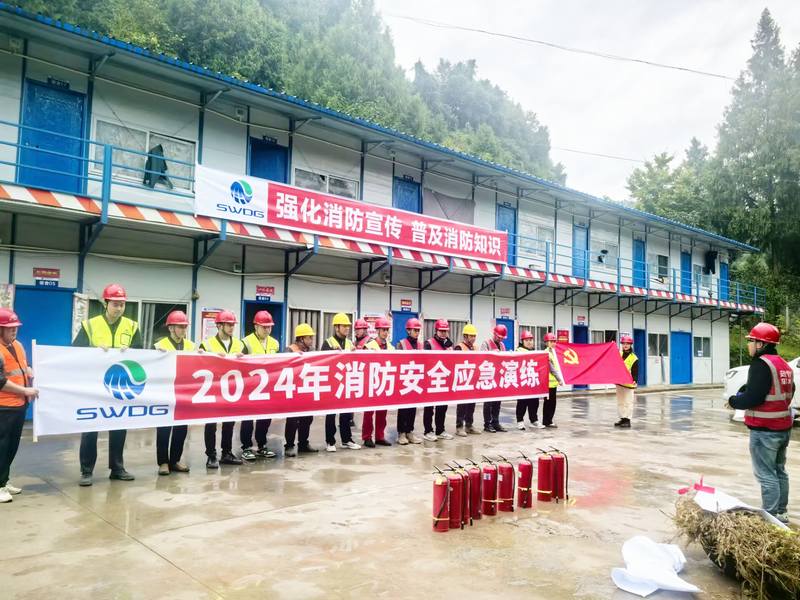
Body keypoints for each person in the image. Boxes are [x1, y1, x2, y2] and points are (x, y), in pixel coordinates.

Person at [73, 283, 141, 486]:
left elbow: (141, 354)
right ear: (106, 303)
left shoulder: (132, 326)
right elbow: (74, 352)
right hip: (94, 386)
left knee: (119, 426)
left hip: (119, 385)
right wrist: (93, 352)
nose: (119, 308)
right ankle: (86, 471)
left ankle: (117, 468)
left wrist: (131, 352)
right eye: (115, 304)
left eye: (122, 304)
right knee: (90, 428)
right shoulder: (90, 325)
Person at [728, 322, 794, 524]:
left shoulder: (760, 364)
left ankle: (770, 517)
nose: (749, 344)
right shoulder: (783, 364)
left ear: (761, 344)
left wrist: (734, 401)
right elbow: (789, 390)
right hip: (783, 428)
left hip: (764, 430)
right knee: (779, 471)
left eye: (751, 341)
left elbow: (754, 397)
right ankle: (781, 513)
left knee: (766, 475)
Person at [0, 308, 38, 503]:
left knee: (12, 446)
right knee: (2, 446)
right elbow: (0, 382)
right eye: (9, 328)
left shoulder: (18, 345)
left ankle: (4, 480)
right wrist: (25, 391)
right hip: (4, 407)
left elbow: (24, 365)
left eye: (15, 327)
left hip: (19, 405)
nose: (14, 330)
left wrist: (29, 371)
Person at [199, 310, 244, 468]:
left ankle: (227, 453)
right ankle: (211, 455)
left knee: (229, 423)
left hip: (231, 389)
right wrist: (206, 356)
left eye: (233, 325)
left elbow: (248, 365)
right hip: (213, 389)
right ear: (219, 325)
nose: (232, 327)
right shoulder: (207, 344)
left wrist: (243, 359)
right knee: (211, 424)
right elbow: (200, 365)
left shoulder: (239, 344)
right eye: (228, 324)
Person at [153, 310, 193, 475]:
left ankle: (175, 460)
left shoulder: (191, 346)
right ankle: (163, 462)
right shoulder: (158, 346)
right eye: (180, 327)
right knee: (164, 429)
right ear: (171, 328)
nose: (184, 330)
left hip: (183, 393)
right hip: (165, 393)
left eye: (185, 327)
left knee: (181, 429)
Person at [239, 310, 279, 461]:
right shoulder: (246, 342)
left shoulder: (274, 343)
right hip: (250, 387)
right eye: (264, 327)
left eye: (269, 327)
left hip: (267, 386)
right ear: (256, 326)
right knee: (248, 418)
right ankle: (246, 447)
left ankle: (262, 445)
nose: (267, 330)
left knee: (265, 417)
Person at [320, 313, 361, 452]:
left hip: (346, 381)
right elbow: (323, 362)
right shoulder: (328, 343)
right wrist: (333, 353)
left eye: (348, 326)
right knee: (331, 413)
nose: (347, 328)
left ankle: (346, 439)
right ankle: (330, 441)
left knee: (346, 413)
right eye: (344, 326)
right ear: (336, 327)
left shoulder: (350, 343)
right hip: (333, 383)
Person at [284, 323, 319, 457]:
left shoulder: (311, 351)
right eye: (309, 337)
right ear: (301, 339)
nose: (311, 340)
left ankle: (303, 443)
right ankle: (289, 445)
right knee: (293, 420)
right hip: (293, 391)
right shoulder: (289, 350)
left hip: (307, 389)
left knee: (307, 418)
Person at [362, 316, 393, 447]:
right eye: (383, 330)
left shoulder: (391, 348)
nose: (385, 332)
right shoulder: (369, 346)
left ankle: (380, 436)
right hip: (371, 382)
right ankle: (367, 437)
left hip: (384, 381)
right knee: (369, 412)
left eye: (387, 330)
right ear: (377, 330)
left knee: (382, 411)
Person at [423, 319, 454, 441]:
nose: (444, 333)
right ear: (436, 331)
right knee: (429, 407)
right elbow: (424, 361)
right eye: (441, 331)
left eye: (446, 331)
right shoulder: (428, 343)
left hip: (443, 380)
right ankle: (428, 431)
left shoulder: (448, 345)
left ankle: (440, 430)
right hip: (431, 380)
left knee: (442, 407)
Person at [396, 318, 423, 445]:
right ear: (408, 330)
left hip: (416, 379)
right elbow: (397, 361)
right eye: (415, 330)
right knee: (403, 408)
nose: (417, 333)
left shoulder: (420, 345)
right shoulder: (401, 344)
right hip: (404, 379)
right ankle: (401, 432)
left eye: (418, 330)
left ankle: (409, 431)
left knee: (413, 407)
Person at [454, 323, 481, 437]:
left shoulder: (476, 348)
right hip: (463, 380)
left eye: (474, 336)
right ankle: (459, 426)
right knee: (462, 405)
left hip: (473, 380)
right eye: (471, 336)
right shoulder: (459, 347)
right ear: (465, 336)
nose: (473, 338)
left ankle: (469, 425)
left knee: (471, 405)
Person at [481, 324, 508, 433]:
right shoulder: (486, 343)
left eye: (502, 338)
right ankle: (487, 424)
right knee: (488, 402)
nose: (500, 339)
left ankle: (495, 422)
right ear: (494, 334)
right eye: (499, 337)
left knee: (497, 402)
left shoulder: (502, 345)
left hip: (498, 377)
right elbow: (482, 358)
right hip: (488, 376)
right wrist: (493, 354)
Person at [515, 330, 538, 430]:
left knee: (534, 401)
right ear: (522, 341)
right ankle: (520, 421)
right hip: (523, 381)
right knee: (522, 402)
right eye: (526, 340)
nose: (529, 342)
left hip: (532, 381)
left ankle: (534, 420)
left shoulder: (535, 352)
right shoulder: (518, 351)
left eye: (530, 340)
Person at [614, 334, 638, 429]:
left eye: (627, 344)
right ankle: (622, 418)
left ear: (630, 345)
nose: (625, 345)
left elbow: (635, 371)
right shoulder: (618, 354)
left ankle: (627, 420)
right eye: (624, 343)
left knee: (628, 402)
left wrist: (635, 380)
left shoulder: (634, 358)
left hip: (629, 384)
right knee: (620, 401)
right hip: (619, 382)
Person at [542, 332, 565, 428]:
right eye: (551, 341)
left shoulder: (554, 353)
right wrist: (559, 379)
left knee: (552, 403)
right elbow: (552, 369)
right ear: (546, 343)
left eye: (554, 341)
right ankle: (546, 421)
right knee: (548, 403)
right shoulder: (546, 353)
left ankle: (549, 420)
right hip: (548, 384)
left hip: (553, 384)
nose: (553, 343)